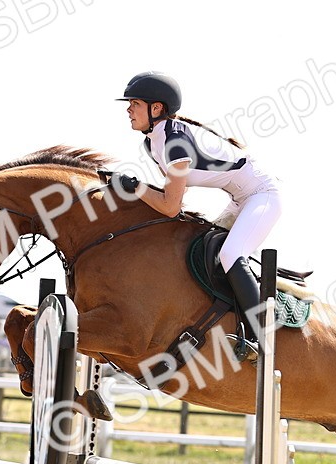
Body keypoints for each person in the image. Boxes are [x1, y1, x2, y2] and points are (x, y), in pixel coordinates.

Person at [115, 71, 281, 360]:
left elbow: (169, 206)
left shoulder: (173, 141)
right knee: (201, 249)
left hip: (262, 196)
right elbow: (172, 199)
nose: (128, 109)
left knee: (230, 254)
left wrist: (137, 187)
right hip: (239, 199)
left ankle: (261, 336)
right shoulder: (153, 141)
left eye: (135, 103)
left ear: (157, 108)